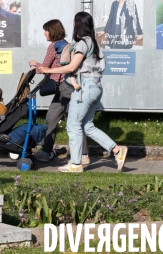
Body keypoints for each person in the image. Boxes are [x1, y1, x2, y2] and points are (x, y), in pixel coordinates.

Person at [39, 12, 128, 173]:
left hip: (85, 87)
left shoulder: (82, 43)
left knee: (73, 125)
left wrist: (48, 69)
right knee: (87, 126)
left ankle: (75, 163)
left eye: (74, 21)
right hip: (95, 87)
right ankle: (116, 150)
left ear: (77, 24)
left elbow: (72, 67)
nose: (72, 24)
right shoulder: (94, 42)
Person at [28, 19, 90, 164]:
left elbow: (44, 68)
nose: (44, 33)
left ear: (52, 31)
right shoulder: (66, 44)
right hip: (64, 88)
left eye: (46, 30)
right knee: (53, 118)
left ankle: (83, 154)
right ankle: (47, 151)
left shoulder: (53, 46)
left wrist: (33, 64)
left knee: (70, 120)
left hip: (64, 88)